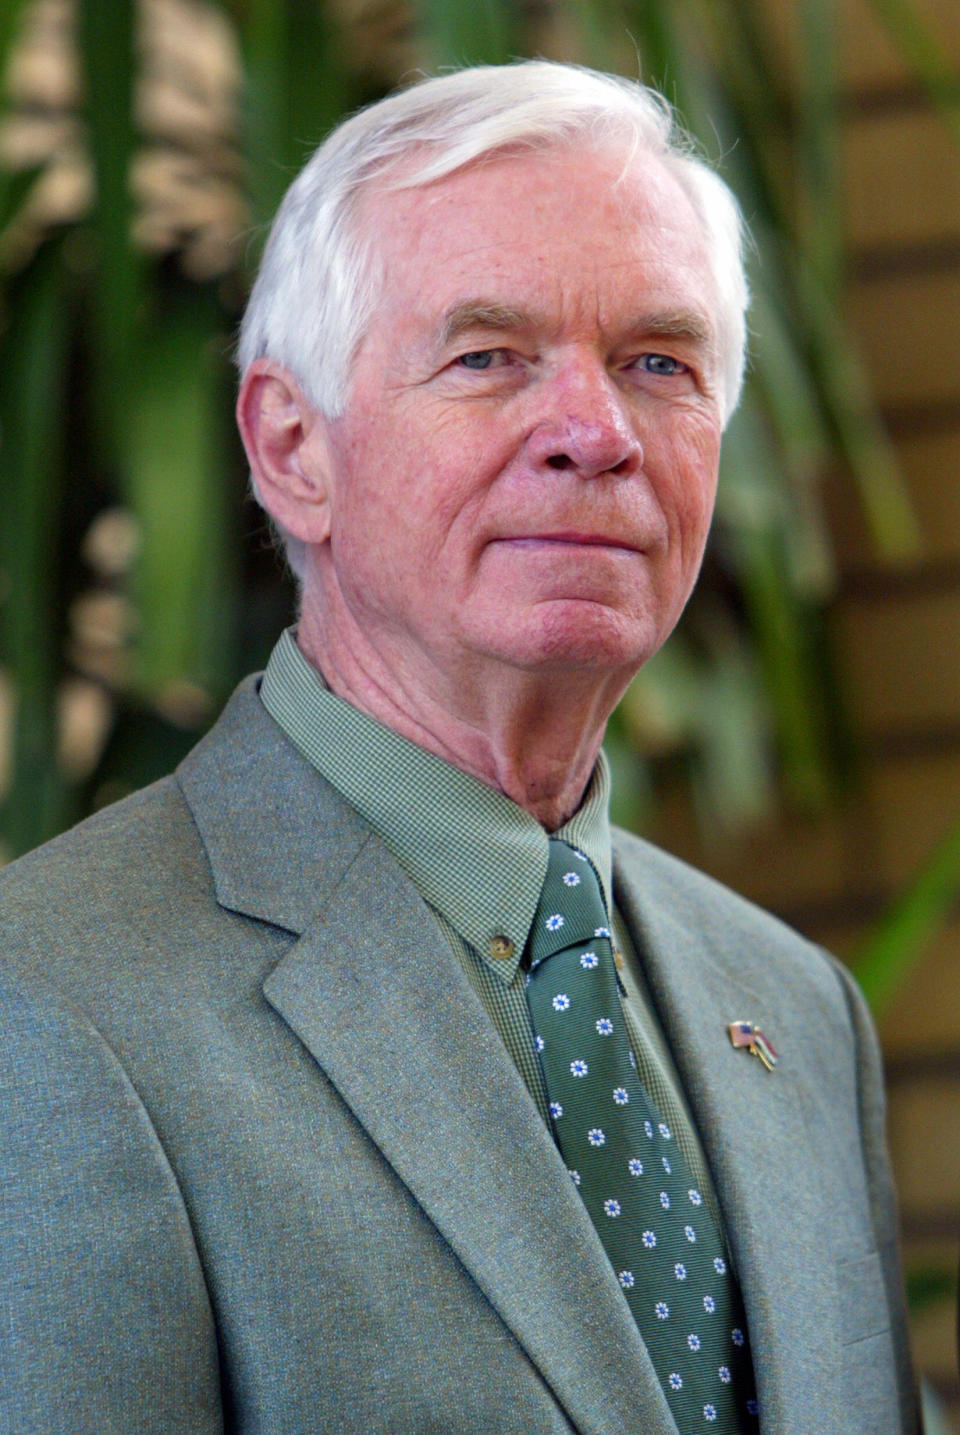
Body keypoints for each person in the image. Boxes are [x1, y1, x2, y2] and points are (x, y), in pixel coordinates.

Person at [0, 61, 918, 1434]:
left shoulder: (794, 1009)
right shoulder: (55, 1007)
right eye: (488, 356)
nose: (595, 433)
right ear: (291, 446)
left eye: (658, 363)